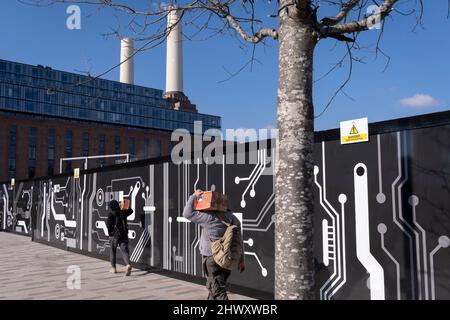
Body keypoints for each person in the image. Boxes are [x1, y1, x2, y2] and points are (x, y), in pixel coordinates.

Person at [183, 189, 245, 300]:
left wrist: (194, 196)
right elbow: (239, 241)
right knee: (214, 290)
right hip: (227, 258)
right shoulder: (233, 218)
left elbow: (187, 213)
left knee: (218, 292)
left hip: (212, 259)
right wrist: (241, 260)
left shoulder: (208, 217)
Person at [106, 199, 133, 276]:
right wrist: (124, 204)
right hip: (124, 234)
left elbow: (108, 225)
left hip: (114, 236)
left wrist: (110, 234)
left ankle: (113, 268)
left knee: (112, 251)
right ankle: (128, 265)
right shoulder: (123, 212)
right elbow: (131, 211)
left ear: (111, 207)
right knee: (125, 251)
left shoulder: (111, 214)